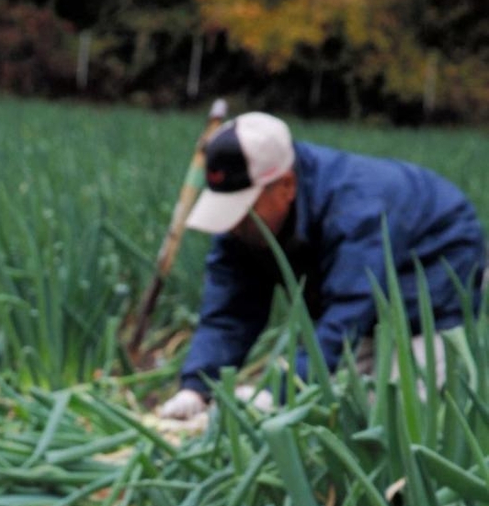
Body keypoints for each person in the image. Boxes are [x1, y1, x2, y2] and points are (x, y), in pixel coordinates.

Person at [159, 112, 486, 419]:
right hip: (368, 305)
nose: (234, 225)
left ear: (286, 185)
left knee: (398, 415)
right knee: (331, 406)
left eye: (244, 210)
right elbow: (229, 310)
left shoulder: (355, 209)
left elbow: (349, 307)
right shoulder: (245, 227)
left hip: (434, 287)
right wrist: (197, 387)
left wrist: (280, 392)